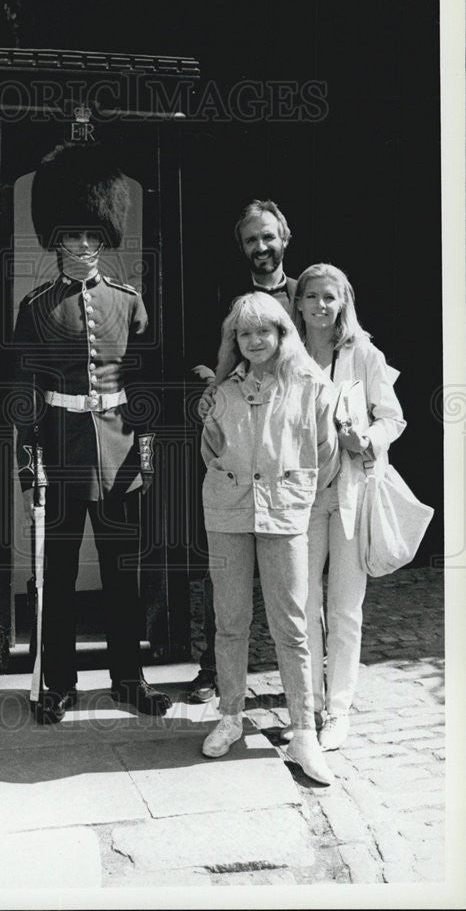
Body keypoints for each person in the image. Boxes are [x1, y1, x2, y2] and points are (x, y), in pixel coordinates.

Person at [12, 141, 171, 725]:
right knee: (53, 575)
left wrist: (146, 452)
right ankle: (58, 683)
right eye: (71, 237)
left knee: (122, 575)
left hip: (121, 453)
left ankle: (128, 678)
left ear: (104, 242)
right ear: (55, 241)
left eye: (91, 238)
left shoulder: (129, 303)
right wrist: (30, 464)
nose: (82, 247)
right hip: (61, 453)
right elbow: (25, 397)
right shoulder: (35, 308)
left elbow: (147, 385)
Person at [198, 291, 338, 784]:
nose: (255, 340)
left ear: (282, 333)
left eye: (264, 330)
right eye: (244, 333)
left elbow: (325, 452)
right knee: (229, 619)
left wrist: (292, 493)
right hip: (228, 513)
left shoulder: (309, 385)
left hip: (285, 513)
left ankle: (303, 731)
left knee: (293, 625)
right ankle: (230, 716)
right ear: (234, 341)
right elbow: (211, 449)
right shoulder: (223, 391)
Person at [187, 198, 298, 705]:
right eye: (251, 239)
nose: (261, 247)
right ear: (242, 247)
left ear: (284, 239)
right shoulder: (224, 298)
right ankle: (215, 673)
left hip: (289, 451)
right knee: (228, 573)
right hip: (235, 444)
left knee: (295, 583)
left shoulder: (305, 295)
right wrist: (211, 384)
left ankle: (304, 682)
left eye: (268, 237)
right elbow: (200, 358)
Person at [293, 263, 406, 751]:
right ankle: (309, 705)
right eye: (312, 296)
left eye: (330, 298)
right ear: (297, 302)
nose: (320, 306)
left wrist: (369, 438)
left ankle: (337, 711)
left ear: (344, 303)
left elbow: (393, 417)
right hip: (299, 496)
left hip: (351, 495)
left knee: (343, 608)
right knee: (302, 605)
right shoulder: (287, 352)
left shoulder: (362, 353)